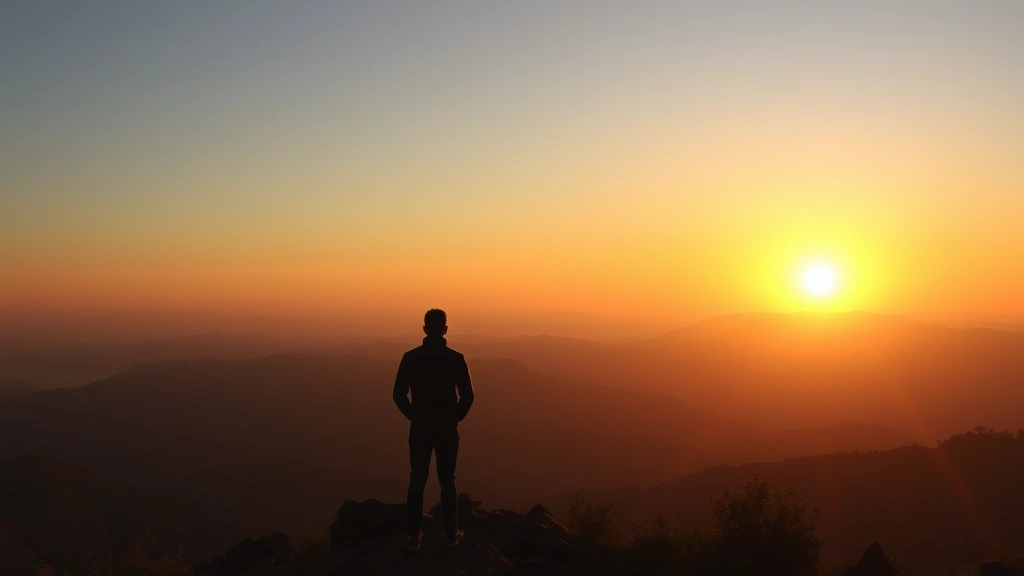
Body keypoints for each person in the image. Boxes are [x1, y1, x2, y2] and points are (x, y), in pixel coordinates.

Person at [393, 309, 475, 551]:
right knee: (447, 480)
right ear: (445, 329)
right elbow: (468, 396)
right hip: (447, 428)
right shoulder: (456, 358)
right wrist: (455, 418)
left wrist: (413, 415)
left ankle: (413, 536)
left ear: (424, 328)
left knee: (417, 479)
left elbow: (398, 394)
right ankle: (451, 533)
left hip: (420, 428)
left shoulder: (410, 358)